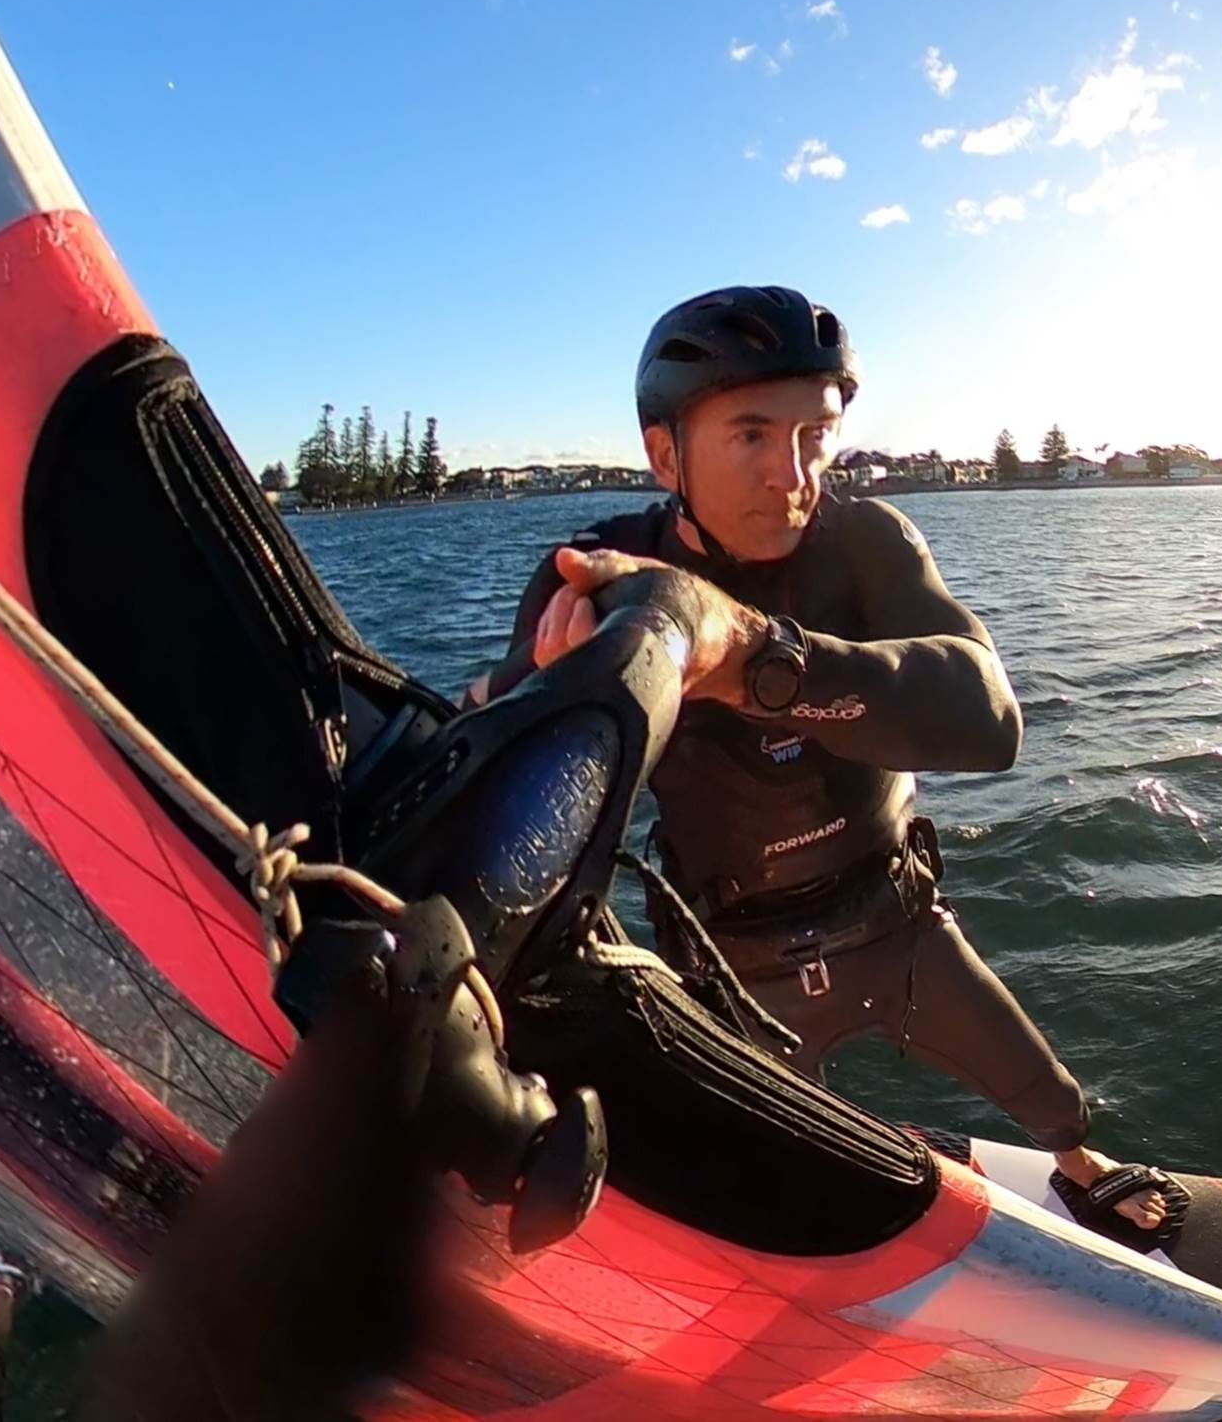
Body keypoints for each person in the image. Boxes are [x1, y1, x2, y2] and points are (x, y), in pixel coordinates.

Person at [478, 285, 1182, 1248]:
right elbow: (497, 763)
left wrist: (752, 659)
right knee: (764, 1181)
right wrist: (555, 700)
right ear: (665, 454)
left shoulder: (866, 543)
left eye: (817, 434)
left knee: (1042, 1088)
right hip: (730, 960)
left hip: (894, 918)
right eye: (753, 435)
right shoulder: (600, 574)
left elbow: (990, 716)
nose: (793, 473)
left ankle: (1078, 1163)